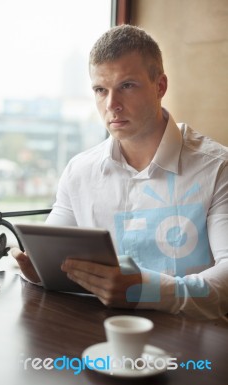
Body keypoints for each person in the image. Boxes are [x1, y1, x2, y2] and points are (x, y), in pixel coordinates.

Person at [12, 24, 228, 320]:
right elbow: (48, 260)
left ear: (160, 86)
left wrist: (147, 290)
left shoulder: (217, 166)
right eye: (100, 90)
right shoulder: (79, 171)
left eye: (127, 85)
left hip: (193, 342)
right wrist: (36, 270)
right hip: (100, 338)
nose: (111, 105)